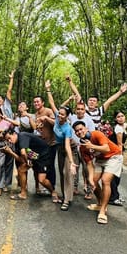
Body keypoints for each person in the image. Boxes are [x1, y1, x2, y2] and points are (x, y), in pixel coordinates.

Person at [72, 121, 123, 225]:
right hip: (100, 159)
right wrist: (90, 179)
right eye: (76, 131)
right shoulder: (82, 147)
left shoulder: (96, 134)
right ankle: (100, 203)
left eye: (81, 129)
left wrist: (92, 146)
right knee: (94, 181)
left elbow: (106, 148)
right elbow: (90, 164)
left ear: (86, 129)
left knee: (105, 180)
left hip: (114, 156)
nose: (79, 132)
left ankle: (103, 210)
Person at [43, 81, 77, 210]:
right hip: (59, 148)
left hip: (70, 149)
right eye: (59, 114)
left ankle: (67, 200)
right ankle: (65, 195)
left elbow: (68, 145)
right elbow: (51, 103)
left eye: (63, 115)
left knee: (67, 172)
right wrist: (48, 89)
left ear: (67, 117)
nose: (59, 116)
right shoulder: (57, 117)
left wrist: (72, 161)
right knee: (62, 174)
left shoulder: (67, 128)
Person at [3, 130, 55, 201]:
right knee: (21, 170)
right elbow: (21, 159)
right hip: (34, 156)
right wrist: (10, 152)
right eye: (7, 140)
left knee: (41, 180)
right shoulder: (16, 144)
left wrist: (27, 161)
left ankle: (53, 192)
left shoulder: (22, 136)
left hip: (44, 155)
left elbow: (23, 152)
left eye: (9, 138)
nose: (9, 141)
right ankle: (23, 194)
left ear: (14, 134)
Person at [109, 106, 127, 205]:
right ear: (115, 119)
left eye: (122, 116)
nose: (121, 118)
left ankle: (115, 195)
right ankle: (113, 197)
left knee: (117, 176)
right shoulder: (118, 128)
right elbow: (119, 144)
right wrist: (120, 158)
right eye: (118, 117)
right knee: (114, 176)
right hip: (115, 153)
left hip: (117, 153)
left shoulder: (123, 126)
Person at [69, 100, 96, 200]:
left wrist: (91, 147)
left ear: (85, 110)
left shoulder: (89, 120)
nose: (80, 111)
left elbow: (92, 135)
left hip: (85, 148)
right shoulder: (72, 118)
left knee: (87, 170)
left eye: (82, 109)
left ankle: (89, 190)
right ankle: (74, 187)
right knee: (74, 168)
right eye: (78, 109)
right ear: (75, 110)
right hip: (74, 147)